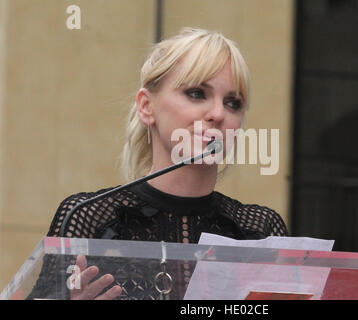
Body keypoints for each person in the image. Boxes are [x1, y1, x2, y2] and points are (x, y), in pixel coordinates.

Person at [28, 27, 288, 300]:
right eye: (197, 93)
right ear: (146, 107)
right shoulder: (88, 218)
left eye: (233, 103)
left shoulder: (259, 230)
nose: (218, 113)